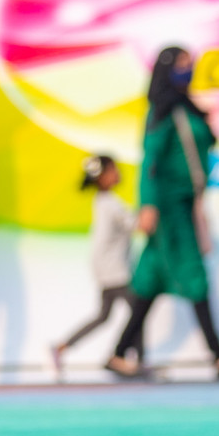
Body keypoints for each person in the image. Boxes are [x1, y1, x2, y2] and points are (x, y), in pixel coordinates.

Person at [107, 47, 219, 380]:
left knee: (150, 279)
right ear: (168, 70)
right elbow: (150, 162)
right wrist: (149, 205)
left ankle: (116, 354)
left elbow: (206, 143)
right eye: (183, 65)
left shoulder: (187, 109)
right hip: (169, 208)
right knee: (193, 274)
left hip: (187, 204)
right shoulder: (162, 111)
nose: (189, 70)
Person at [52, 155, 144, 375]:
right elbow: (137, 225)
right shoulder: (111, 204)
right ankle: (133, 359)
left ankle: (61, 347)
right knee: (139, 312)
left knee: (104, 316)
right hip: (115, 270)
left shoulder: (103, 202)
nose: (118, 173)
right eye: (113, 170)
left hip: (105, 268)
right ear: (102, 178)